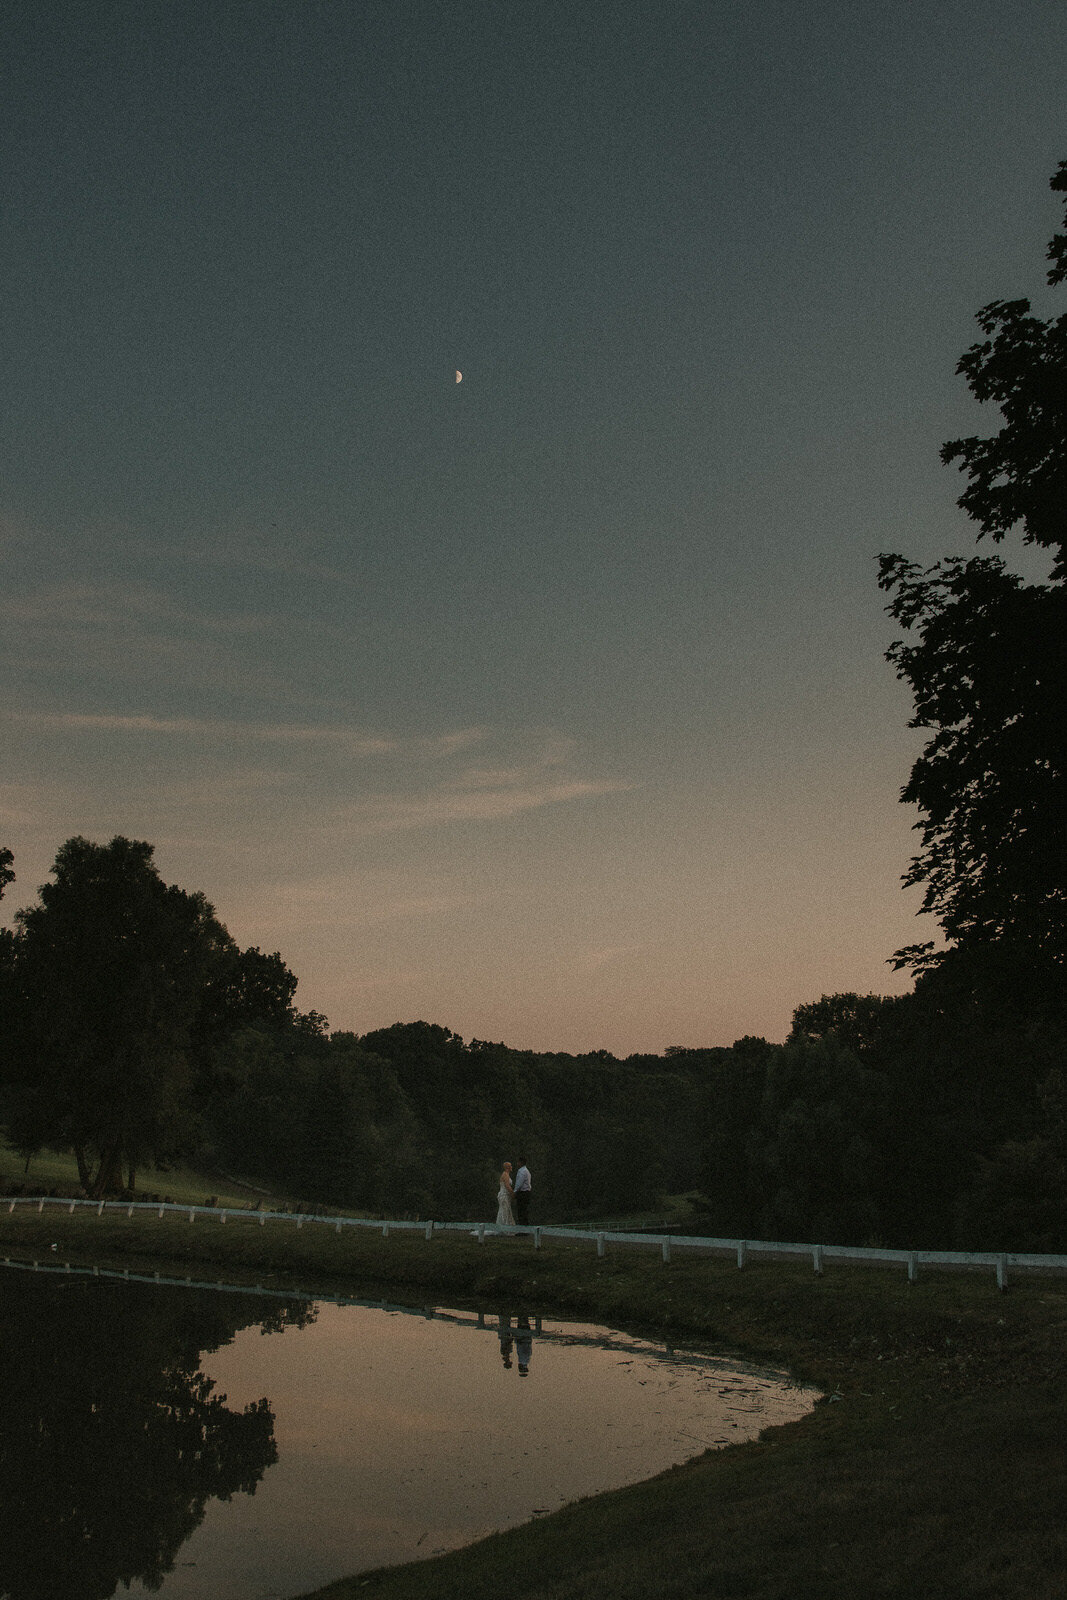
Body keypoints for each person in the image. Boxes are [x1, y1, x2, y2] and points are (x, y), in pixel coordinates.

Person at [513, 1158, 531, 1226]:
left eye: (518, 1162)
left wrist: (515, 1192)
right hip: (526, 1192)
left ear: (521, 1162)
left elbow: (519, 1183)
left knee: (521, 1211)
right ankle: (525, 1228)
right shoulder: (526, 1171)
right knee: (524, 1211)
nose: (517, 1163)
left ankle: (522, 1229)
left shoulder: (522, 1171)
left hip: (523, 1192)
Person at [495, 1161, 515, 1226]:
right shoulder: (505, 1174)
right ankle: (504, 1227)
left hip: (506, 1195)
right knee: (504, 1211)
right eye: (510, 1166)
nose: (511, 1167)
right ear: (508, 1167)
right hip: (504, 1195)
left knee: (506, 1210)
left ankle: (506, 1226)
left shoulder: (506, 1174)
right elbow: (507, 1185)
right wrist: (513, 1193)